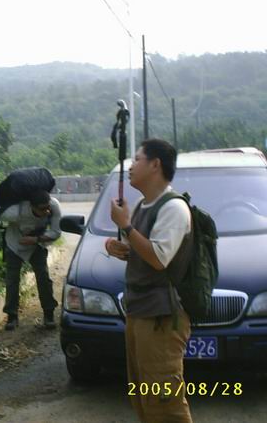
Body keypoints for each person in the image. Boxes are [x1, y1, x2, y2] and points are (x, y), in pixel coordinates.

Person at [106, 139, 193, 423]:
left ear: (155, 164)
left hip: (162, 318)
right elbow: (144, 253)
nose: (131, 166)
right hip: (141, 313)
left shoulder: (173, 208)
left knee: (165, 403)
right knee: (144, 398)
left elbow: (158, 259)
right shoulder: (144, 206)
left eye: (137, 159)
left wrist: (125, 225)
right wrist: (120, 248)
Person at [0, 189, 61, 330]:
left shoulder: (54, 206)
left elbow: (56, 232)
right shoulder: (16, 211)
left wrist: (35, 239)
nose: (46, 211)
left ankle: (49, 313)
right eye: (42, 209)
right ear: (31, 206)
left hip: (37, 243)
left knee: (43, 277)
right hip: (14, 244)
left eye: (48, 207)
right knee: (12, 280)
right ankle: (12, 316)